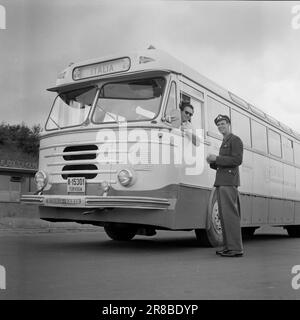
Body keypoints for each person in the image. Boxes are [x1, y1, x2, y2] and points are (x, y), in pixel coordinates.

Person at [206, 114, 244, 257]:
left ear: (228, 124)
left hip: (229, 182)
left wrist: (217, 158)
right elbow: (224, 163)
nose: (221, 126)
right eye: (219, 125)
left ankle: (236, 249)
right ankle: (228, 247)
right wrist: (213, 162)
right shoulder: (225, 141)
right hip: (222, 181)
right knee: (224, 216)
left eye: (223, 123)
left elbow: (237, 160)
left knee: (230, 216)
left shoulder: (235, 140)